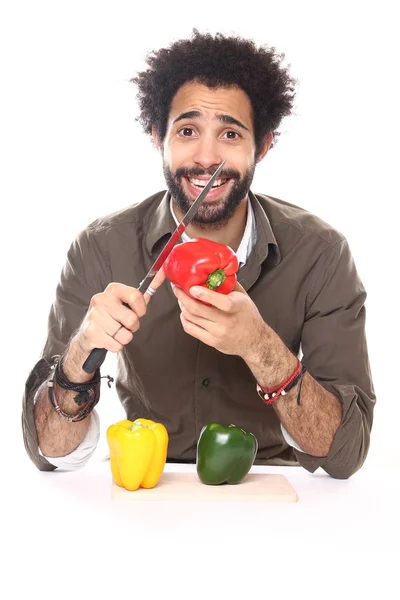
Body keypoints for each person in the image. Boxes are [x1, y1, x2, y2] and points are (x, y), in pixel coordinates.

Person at [22, 30, 375, 479]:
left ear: (262, 146)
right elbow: (50, 453)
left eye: (230, 133)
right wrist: (80, 356)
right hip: (144, 490)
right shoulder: (100, 247)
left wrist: (261, 348)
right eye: (187, 131)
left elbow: (344, 455)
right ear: (157, 137)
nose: (207, 157)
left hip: (276, 500)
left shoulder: (322, 254)